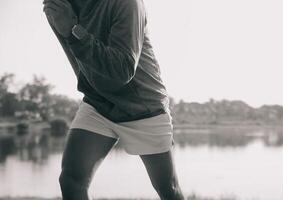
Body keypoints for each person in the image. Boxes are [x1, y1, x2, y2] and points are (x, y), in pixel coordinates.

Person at [43, 0, 185, 199]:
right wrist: (69, 30)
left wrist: (73, 30)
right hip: (98, 103)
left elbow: (121, 71)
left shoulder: (127, 3)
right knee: (71, 180)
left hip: (143, 106)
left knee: (168, 188)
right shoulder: (58, 7)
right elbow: (77, 58)